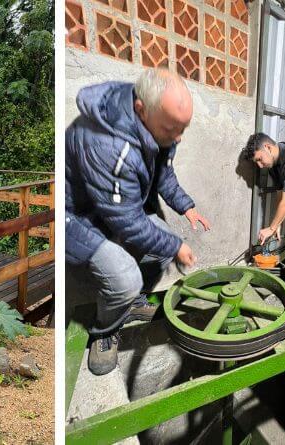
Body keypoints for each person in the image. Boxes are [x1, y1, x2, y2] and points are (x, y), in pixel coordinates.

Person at [66, 68, 211, 376]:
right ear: (140, 109)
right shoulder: (107, 146)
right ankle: (105, 331)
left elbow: (163, 173)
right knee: (125, 278)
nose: (179, 137)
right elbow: (128, 223)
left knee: (161, 244)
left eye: (183, 128)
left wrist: (186, 206)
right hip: (76, 218)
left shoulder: (158, 126)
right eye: (173, 128)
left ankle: (129, 303)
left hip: (114, 206)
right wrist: (176, 246)